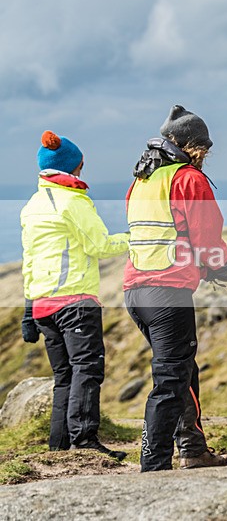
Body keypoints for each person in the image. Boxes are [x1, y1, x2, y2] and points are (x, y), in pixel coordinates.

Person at [124, 105, 227, 471]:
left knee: (182, 373)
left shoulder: (142, 181)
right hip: (167, 294)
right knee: (170, 381)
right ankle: (154, 464)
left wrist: (198, 267)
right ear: (192, 146)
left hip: (136, 292)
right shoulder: (188, 179)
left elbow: (166, 235)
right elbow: (207, 239)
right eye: (204, 150)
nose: (206, 157)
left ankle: (193, 450)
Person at [20, 131, 129, 460]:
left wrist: (28, 311)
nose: (83, 170)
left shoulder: (32, 205)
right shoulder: (72, 201)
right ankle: (84, 441)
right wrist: (134, 238)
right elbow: (100, 245)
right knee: (88, 368)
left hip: (42, 305)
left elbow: (30, 260)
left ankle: (59, 445)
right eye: (81, 164)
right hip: (75, 301)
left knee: (63, 375)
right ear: (72, 166)